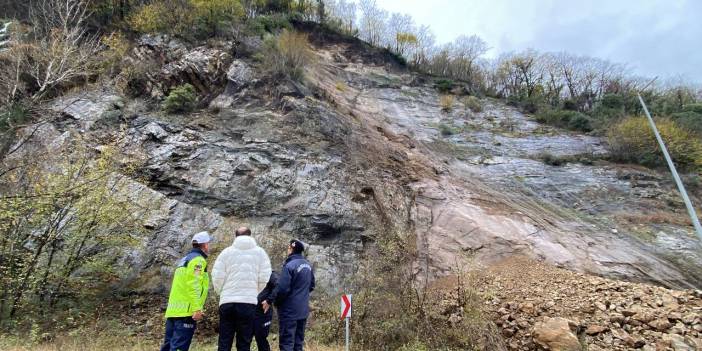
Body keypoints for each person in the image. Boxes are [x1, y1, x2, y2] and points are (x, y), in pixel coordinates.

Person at [211, 227, 272, 351]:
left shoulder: (226, 252)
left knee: (224, 340)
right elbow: (265, 277)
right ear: (250, 235)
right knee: (244, 341)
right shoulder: (260, 253)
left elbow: (217, 276)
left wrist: (221, 293)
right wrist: (255, 292)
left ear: (235, 236)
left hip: (227, 302)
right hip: (248, 302)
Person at [160, 231, 211, 351]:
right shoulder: (198, 261)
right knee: (179, 347)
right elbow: (194, 285)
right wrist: (197, 308)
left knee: (168, 346)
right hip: (185, 312)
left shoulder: (184, 260)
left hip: (173, 311)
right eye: (209, 243)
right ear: (205, 245)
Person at [268, 239, 315, 351]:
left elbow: (282, 289)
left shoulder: (289, 266)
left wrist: (276, 303)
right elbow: (312, 285)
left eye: (289, 248)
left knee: (286, 344)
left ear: (292, 249)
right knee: (298, 344)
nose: (287, 250)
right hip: (303, 311)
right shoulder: (308, 266)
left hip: (289, 312)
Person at [254, 271, 279, 351]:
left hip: (263, 312)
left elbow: (278, 286)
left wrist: (269, 301)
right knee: (244, 339)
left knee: (261, 338)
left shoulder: (270, 274)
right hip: (249, 311)